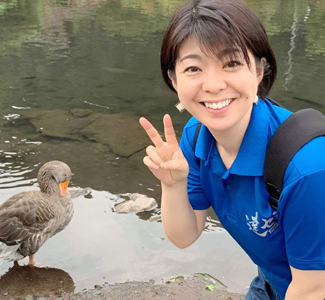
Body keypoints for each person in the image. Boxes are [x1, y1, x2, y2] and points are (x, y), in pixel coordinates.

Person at [139, 0, 325, 299]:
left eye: (232, 63)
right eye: (193, 68)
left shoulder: (309, 169)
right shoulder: (195, 139)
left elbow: (314, 290)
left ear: (260, 70)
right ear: (174, 79)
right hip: (274, 281)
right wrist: (172, 185)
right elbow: (184, 237)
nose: (213, 85)